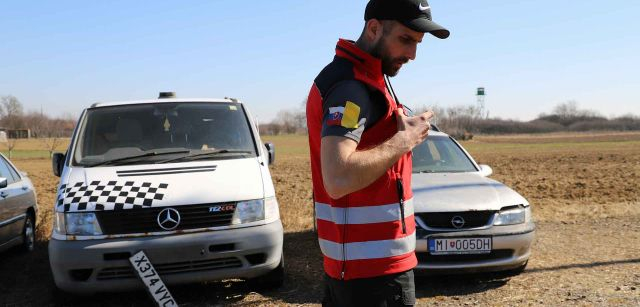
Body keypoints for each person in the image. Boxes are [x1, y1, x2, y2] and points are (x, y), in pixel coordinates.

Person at [305, 0, 449, 305]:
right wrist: (405, 140)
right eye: (405, 40)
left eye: (418, 43)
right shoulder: (351, 86)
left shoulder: (368, 76)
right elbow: (339, 176)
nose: (412, 54)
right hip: (371, 276)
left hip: (367, 269)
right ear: (374, 28)